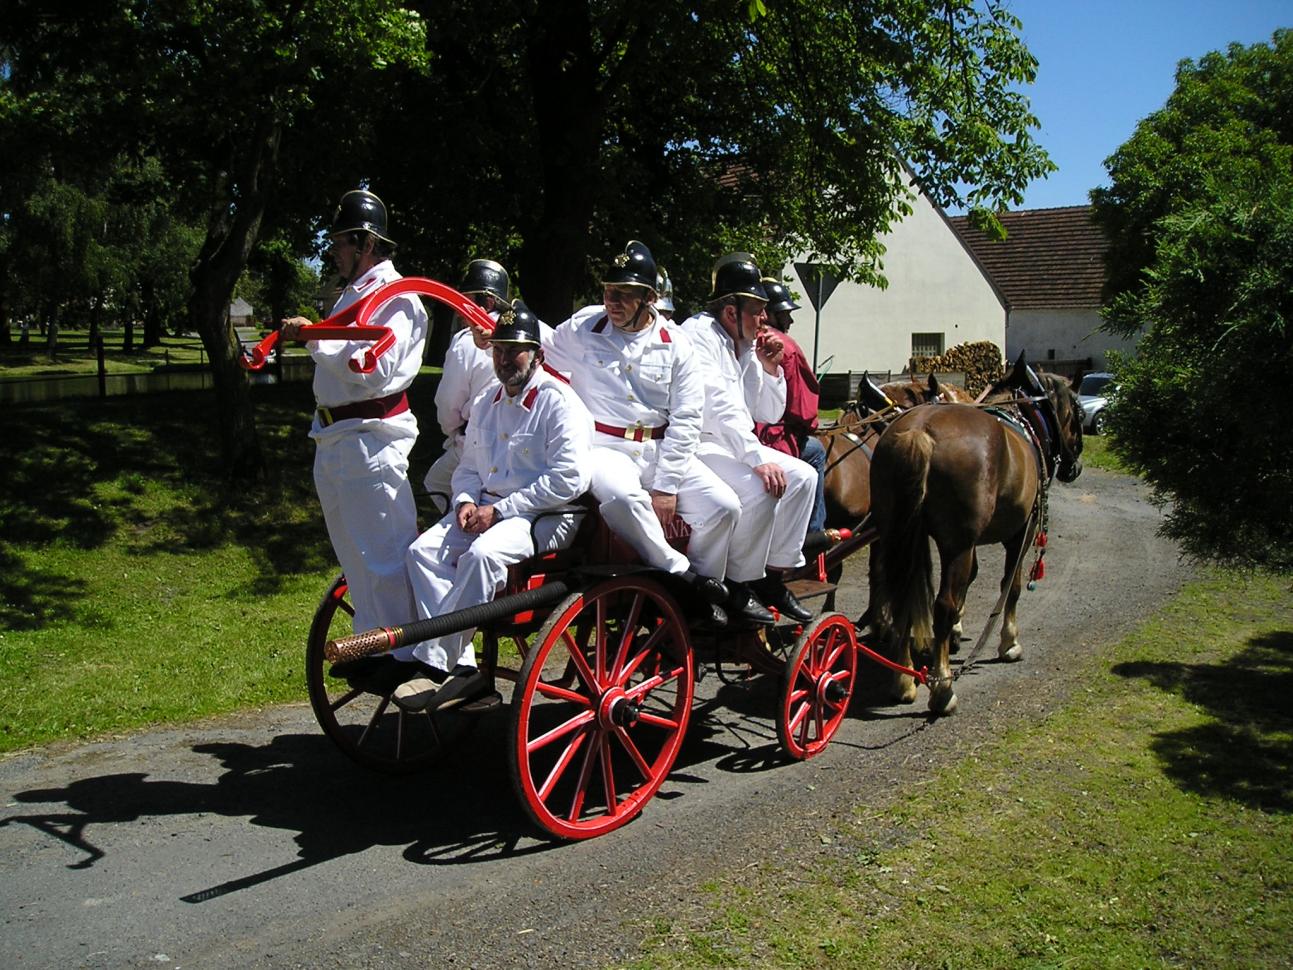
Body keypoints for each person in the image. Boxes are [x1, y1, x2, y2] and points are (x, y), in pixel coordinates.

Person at [524, 240, 746, 621]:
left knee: (725, 507)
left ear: (649, 299)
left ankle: (700, 596)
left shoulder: (677, 345)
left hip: (660, 449)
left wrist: (666, 485)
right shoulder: (584, 326)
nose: (613, 301)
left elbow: (687, 417)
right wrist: (498, 329)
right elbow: (540, 346)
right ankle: (680, 576)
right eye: (610, 291)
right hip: (603, 446)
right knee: (623, 499)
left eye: (625, 294)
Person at [395, 303, 594, 711]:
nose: (504, 359)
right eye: (499, 350)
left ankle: (435, 665)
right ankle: (464, 669)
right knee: (421, 553)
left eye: (514, 350)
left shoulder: (559, 403)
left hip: (545, 514)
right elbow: (468, 466)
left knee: (483, 556)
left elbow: (570, 480)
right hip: (489, 508)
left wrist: (501, 512)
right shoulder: (487, 401)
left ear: (537, 354)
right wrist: (466, 500)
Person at [279, 188, 428, 652]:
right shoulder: (353, 295)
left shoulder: (398, 299)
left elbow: (373, 370)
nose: (334, 251)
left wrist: (314, 339)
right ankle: (375, 646)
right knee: (356, 559)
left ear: (365, 243)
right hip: (335, 437)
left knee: (384, 560)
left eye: (341, 242)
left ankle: (405, 658)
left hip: (371, 439)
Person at [680, 255, 816, 622]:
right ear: (730, 311)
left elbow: (767, 412)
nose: (764, 319)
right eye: (757, 310)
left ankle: (771, 576)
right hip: (698, 444)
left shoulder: (740, 342)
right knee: (760, 489)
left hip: (730, 444)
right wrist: (757, 459)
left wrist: (769, 367)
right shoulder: (699, 336)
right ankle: (738, 584)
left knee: (804, 477)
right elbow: (720, 407)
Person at [423, 259, 509, 514]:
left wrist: (452, 433)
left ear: (487, 302)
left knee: (435, 482)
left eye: (465, 300)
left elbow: (448, 403)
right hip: (517, 442)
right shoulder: (523, 337)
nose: (459, 309)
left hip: (475, 440)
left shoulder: (464, 341)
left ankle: (458, 536)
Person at [754, 278, 827, 532]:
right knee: (816, 451)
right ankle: (813, 530)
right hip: (771, 439)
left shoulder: (746, 337)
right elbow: (802, 410)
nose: (790, 321)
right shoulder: (786, 346)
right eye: (785, 314)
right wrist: (811, 426)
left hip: (747, 434)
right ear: (770, 313)